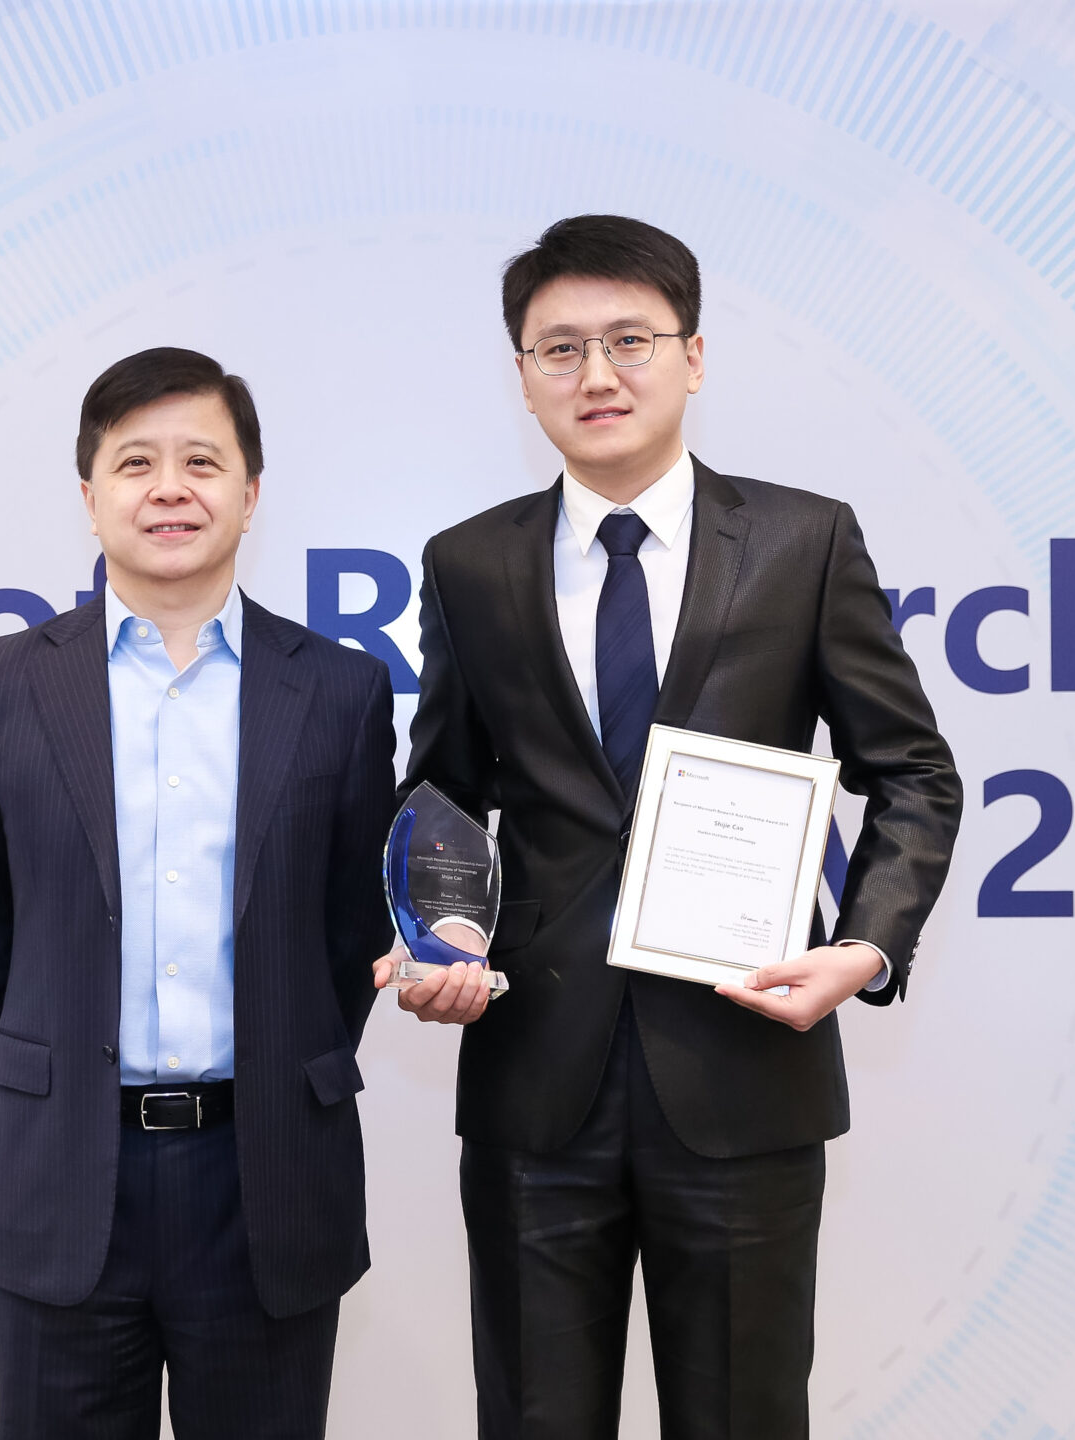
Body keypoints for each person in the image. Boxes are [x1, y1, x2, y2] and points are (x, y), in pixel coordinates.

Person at [379, 215, 963, 1438]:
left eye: (629, 340)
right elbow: (443, 796)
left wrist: (863, 950)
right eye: (560, 349)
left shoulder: (803, 541)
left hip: (745, 1069)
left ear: (692, 357)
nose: (596, 374)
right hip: (537, 1077)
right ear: (523, 376)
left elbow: (913, 773)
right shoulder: (470, 563)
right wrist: (443, 931)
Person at [0, 347, 394, 1440]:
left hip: (266, 1179)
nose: (169, 488)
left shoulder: (338, 689)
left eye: (202, 462)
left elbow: (351, 931)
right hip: (67, 1178)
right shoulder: (2, 685)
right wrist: (55, 1069)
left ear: (251, 494)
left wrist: (280, 1064)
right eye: (135, 463)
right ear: (89, 495)